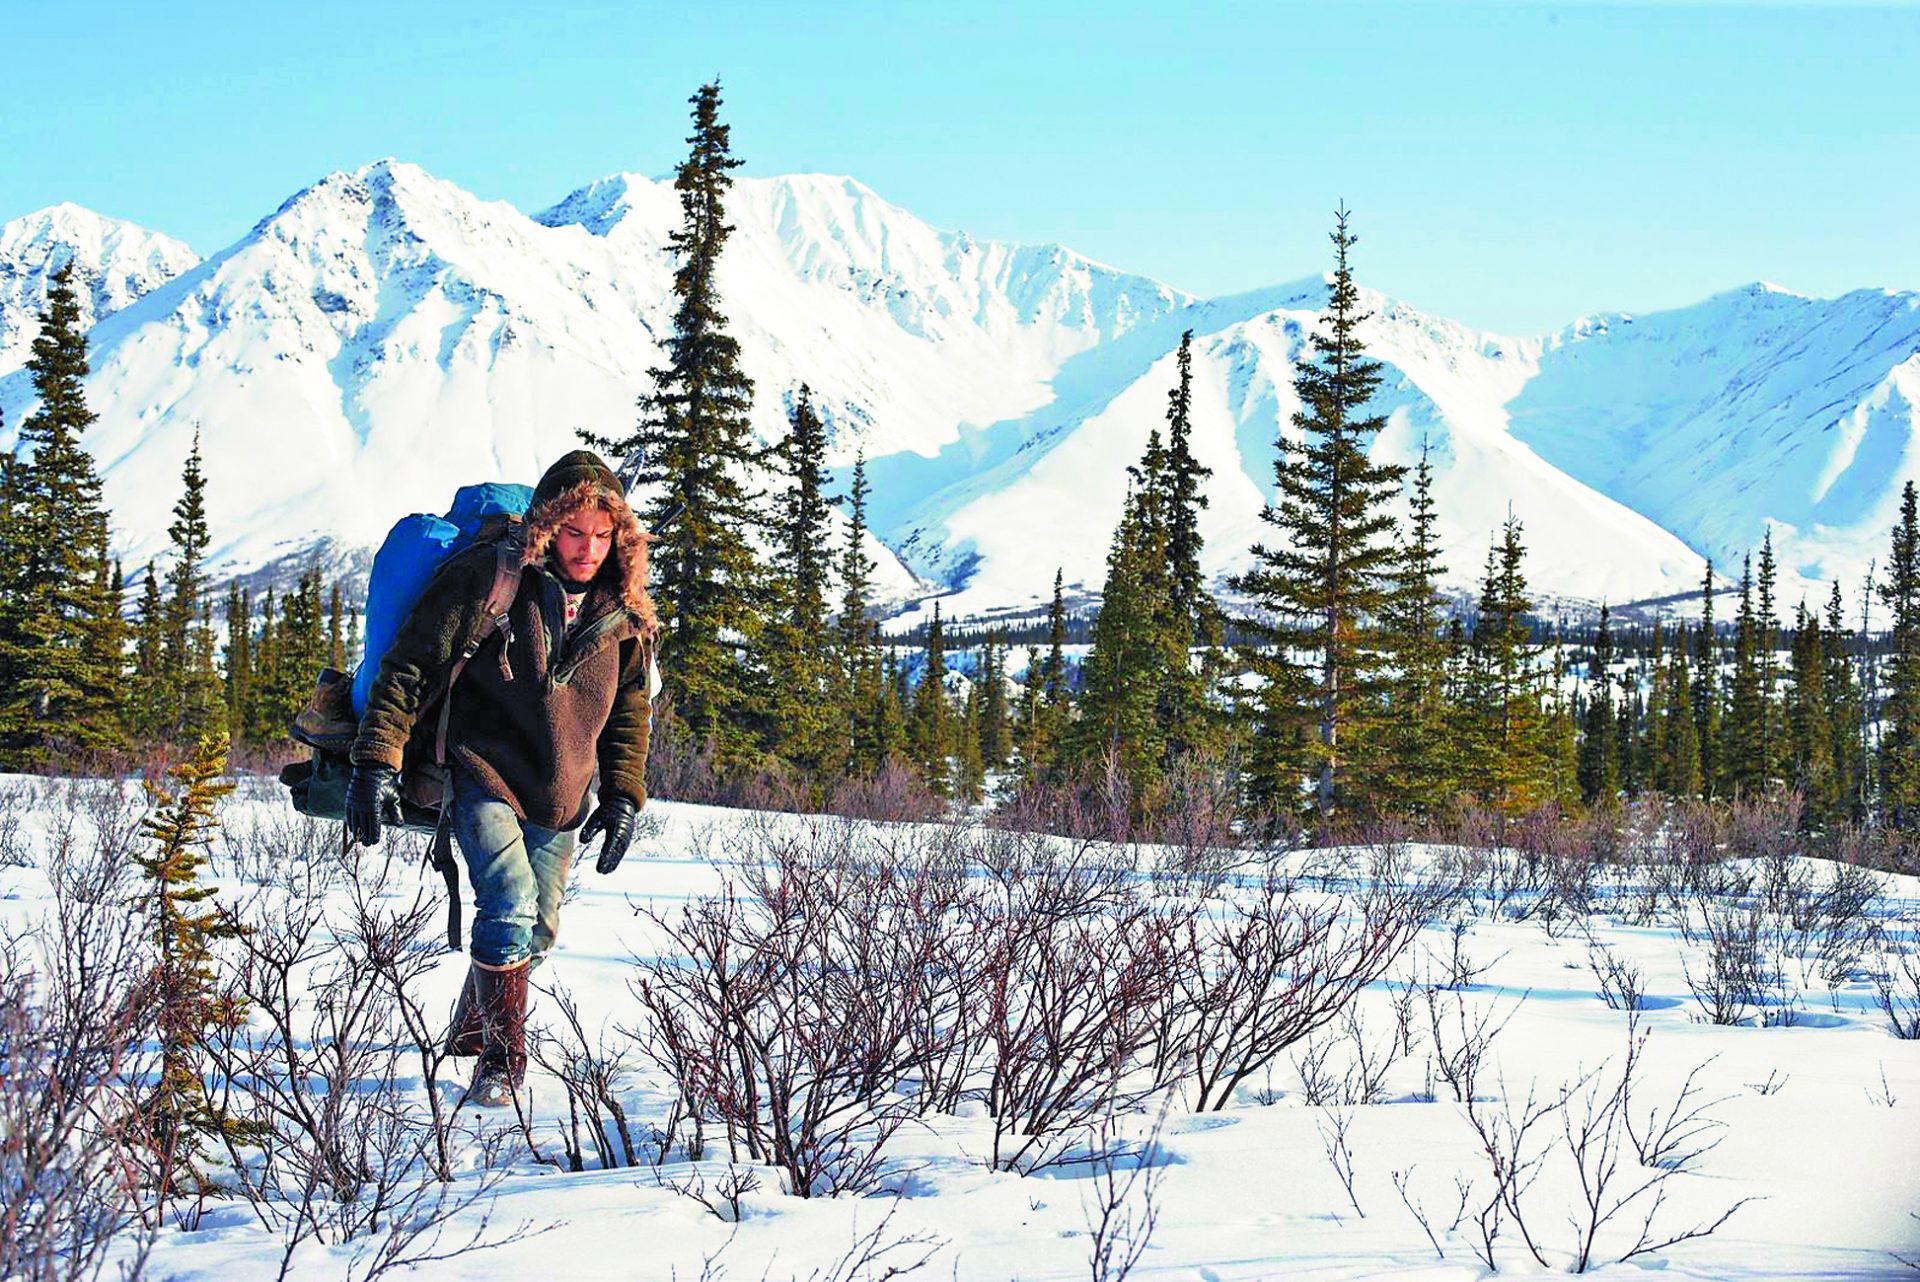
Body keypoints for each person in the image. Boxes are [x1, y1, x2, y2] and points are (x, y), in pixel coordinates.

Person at [344, 450, 657, 1105]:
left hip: (561, 790)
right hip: (481, 770)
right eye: (575, 532)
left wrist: (624, 794)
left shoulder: (624, 609)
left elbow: (630, 709)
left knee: (537, 931)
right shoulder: (493, 577)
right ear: (549, 525)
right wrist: (377, 762)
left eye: (604, 535)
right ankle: (501, 1063)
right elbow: (408, 669)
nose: (588, 548)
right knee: (509, 905)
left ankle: (473, 1024)